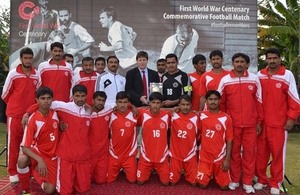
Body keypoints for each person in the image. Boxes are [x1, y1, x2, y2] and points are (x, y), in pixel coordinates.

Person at [255, 48, 300, 195]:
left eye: (275, 58)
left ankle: (276, 182)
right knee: (260, 154)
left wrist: (291, 118)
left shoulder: (287, 75)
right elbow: (255, 99)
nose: (272, 61)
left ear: (280, 59)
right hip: (262, 124)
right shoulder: (259, 75)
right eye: (269, 58)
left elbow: (294, 99)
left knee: (278, 154)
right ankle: (261, 180)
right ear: (266, 59)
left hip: (279, 124)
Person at [217, 53, 263, 193]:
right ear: (232, 63)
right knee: (234, 154)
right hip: (233, 125)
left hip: (250, 124)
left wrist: (259, 121)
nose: (239, 64)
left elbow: (259, 101)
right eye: (236, 61)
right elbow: (221, 103)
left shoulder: (254, 79)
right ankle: (235, 179)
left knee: (249, 154)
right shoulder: (225, 80)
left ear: (247, 64)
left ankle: (247, 182)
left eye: (242, 61)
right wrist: (225, 121)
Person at [1, 47, 39, 183]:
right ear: (21, 59)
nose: (28, 60)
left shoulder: (36, 74)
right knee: (14, 144)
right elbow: (5, 95)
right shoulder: (13, 74)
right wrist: (15, 107)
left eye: (30, 58)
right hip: (14, 115)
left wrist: (29, 110)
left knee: (29, 144)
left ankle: (27, 170)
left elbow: (39, 96)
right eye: (26, 58)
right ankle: (12, 171)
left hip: (30, 116)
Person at [17, 87, 59, 194]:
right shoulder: (33, 119)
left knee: (50, 190)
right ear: (37, 100)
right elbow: (25, 147)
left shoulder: (57, 114)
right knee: (22, 160)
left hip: (53, 155)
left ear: (52, 99)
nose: (46, 101)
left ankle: (34, 170)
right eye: (43, 98)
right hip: (38, 152)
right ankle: (26, 190)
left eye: (48, 98)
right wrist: (40, 160)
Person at [196, 90, 233, 190]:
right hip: (205, 157)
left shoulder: (226, 118)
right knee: (202, 185)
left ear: (220, 101)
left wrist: (227, 159)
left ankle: (217, 175)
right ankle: (208, 174)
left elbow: (229, 140)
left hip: (219, 158)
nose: (213, 102)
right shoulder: (201, 116)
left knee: (224, 187)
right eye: (210, 99)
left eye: (215, 99)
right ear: (206, 102)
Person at [136, 92, 170, 186]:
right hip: (146, 156)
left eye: (158, 103)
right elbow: (131, 111)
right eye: (153, 102)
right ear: (149, 103)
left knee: (166, 183)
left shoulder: (167, 116)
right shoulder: (142, 115)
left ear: (161, 104)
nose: (155, 105)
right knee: (140, 182)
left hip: (161, 157)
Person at [107, 91, 138, 183]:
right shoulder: (110, 114)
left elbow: (150, 110)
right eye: (120, 102)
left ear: (128, 103)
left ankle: (127, 168)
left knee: (133, 180)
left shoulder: (134, 114)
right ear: (116, 103)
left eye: (125, 102)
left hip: (129, 155)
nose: (122, 105)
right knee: (108, 180)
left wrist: (133, 106)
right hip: (114, 154)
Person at [169, 95, 199, 186]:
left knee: (194, 183)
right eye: (183, 104)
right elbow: (159, 111)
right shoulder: (173, 116)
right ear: (179, 105)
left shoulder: (197, 118)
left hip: (190, 155)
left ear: (191, 105)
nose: (185, 107)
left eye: (187, 104)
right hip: (176, 155)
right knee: (172, 182)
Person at [98, 6, 137, 74]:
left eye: (102, 18)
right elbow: (134, 34)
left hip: (129, 64)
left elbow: (119, 45)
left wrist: (106, 48)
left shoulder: (113, 28)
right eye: (100, 18)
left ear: (110, 18)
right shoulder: (119, 24)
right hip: (131, 62)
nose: (100, 20)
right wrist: (128, 45)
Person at [90, 91, 112, 184]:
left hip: (103, 153)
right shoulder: (85, 113)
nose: (101, 103)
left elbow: (122, 102)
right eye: (98, 100)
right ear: (93, 100)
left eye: (103, 100)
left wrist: (132, 106)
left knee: (101, 181)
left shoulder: (107, 111)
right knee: (84, 182)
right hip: (90, 154)